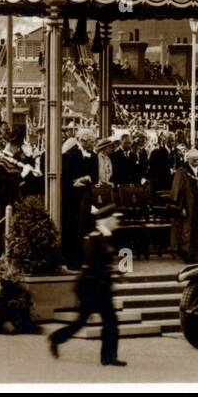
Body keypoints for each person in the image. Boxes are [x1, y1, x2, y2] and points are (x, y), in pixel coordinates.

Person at [49, 206, 127, 367]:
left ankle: (109, 357)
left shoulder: (106, 236)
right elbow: (92, 265)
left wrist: (115, 275)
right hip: (90, 288)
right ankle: (56, 338)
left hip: (101, 288)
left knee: (110, 323)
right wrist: (110, 275)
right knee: (81, 322)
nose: (117, 222)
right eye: (115, 219)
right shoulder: (93, 238)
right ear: (106, 219)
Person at [62, 131, 99, 269]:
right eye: (91, 141)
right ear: (83, 140)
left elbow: (95, 177)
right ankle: (72, 260)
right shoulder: (69, 155)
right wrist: (74, 183)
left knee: (84, 227)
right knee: (72, 228)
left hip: (86, 196)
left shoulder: (94, 156)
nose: (93, 144)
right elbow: (65, 176)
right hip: (72, 198)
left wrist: (86, 178)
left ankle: (84, 259)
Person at [170, 149, 198, 262]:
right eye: (194, 160)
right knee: (187, 230)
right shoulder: (182, 172)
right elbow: (177, 191)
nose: (197, 162)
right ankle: (187, 254)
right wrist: (181, 207)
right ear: (189, 160)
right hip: (188, 204)